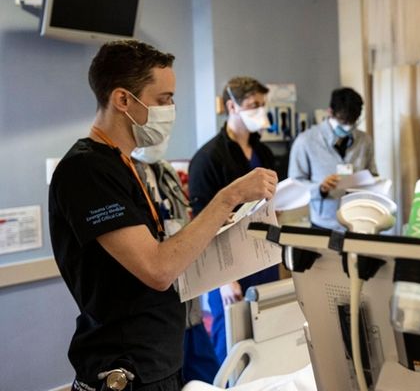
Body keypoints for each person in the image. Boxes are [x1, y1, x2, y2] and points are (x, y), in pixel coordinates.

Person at [49, 40, 277, 391]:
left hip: (159, 359)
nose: (171, 108)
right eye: (164, 99)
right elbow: (157, 268)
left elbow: (163, 250)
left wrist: (222, 226)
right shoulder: (86, 170)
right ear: (123, 100)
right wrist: (228, 197)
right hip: (126, 369)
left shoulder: (123, 166)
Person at [188, 76, 279, 364]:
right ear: (232, 106)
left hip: (263, 256)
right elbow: (203, 222)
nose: (260, 112)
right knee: (229, 346)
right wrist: (226, 280)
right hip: (227, 266)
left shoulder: (263, 152)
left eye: (263, 105)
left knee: (267, 338)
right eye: (253, 105)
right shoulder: (208, 158)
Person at [132, 139, 220, 384]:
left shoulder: (166, 172)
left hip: (189, 313)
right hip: (155, 324)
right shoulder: (122, 177)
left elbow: (183, 227)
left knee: (207, 382)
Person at [288, 87, 378, 231]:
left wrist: (373, 183)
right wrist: (320, 188)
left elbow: (373, 174)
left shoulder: (365, 140)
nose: (347, 127)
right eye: (343, 121)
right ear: (330, 112)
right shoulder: (306, 141)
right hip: (323, 223)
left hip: (358, 221)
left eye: (352, 122)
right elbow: (295, 185)